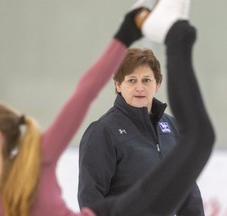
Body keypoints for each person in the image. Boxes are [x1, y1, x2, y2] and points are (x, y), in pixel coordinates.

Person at [0, 0, 215, 216]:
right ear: (119, 85)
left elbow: (85, 93)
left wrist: (126, 33)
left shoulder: (38, 160)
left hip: (118, 212)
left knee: (200, 139)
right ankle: (174, 31)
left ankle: (175, 33)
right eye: (132, 80)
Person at [78, 1, 205, 215]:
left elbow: (188, 190)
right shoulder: (103, 132)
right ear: (118, 85)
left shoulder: (172, 127)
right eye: (131, 80)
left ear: (158, 84)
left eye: (146, 80)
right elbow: (90, 199)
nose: (139, 87)